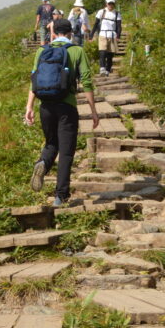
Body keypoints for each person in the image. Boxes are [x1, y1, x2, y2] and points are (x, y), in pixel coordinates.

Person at [24, 19, 99, 206]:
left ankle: (43, 163)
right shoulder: (77, 51)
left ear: (54, 33)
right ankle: (60, 196)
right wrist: (93, 110)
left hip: (46, 106)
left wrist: (29, 107)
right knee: (66, 152)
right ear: (71, 33)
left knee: (51, 144)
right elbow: (87, 81)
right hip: (67, 107)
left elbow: (34, 80)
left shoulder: (42, 51)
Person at [93, 0, 122, 76]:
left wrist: (118, 36)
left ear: (114, 4)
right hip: (102, 34)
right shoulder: (101, 12)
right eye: (109, 3)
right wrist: (91, 35)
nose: (110, 5)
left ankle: (108, 70)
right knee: (102, 51)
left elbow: (119, 26)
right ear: (106, 4)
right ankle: (102, 68)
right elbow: (96, 24)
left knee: (110, 54)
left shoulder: (117, 14)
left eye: (112, 3)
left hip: (112, 35)